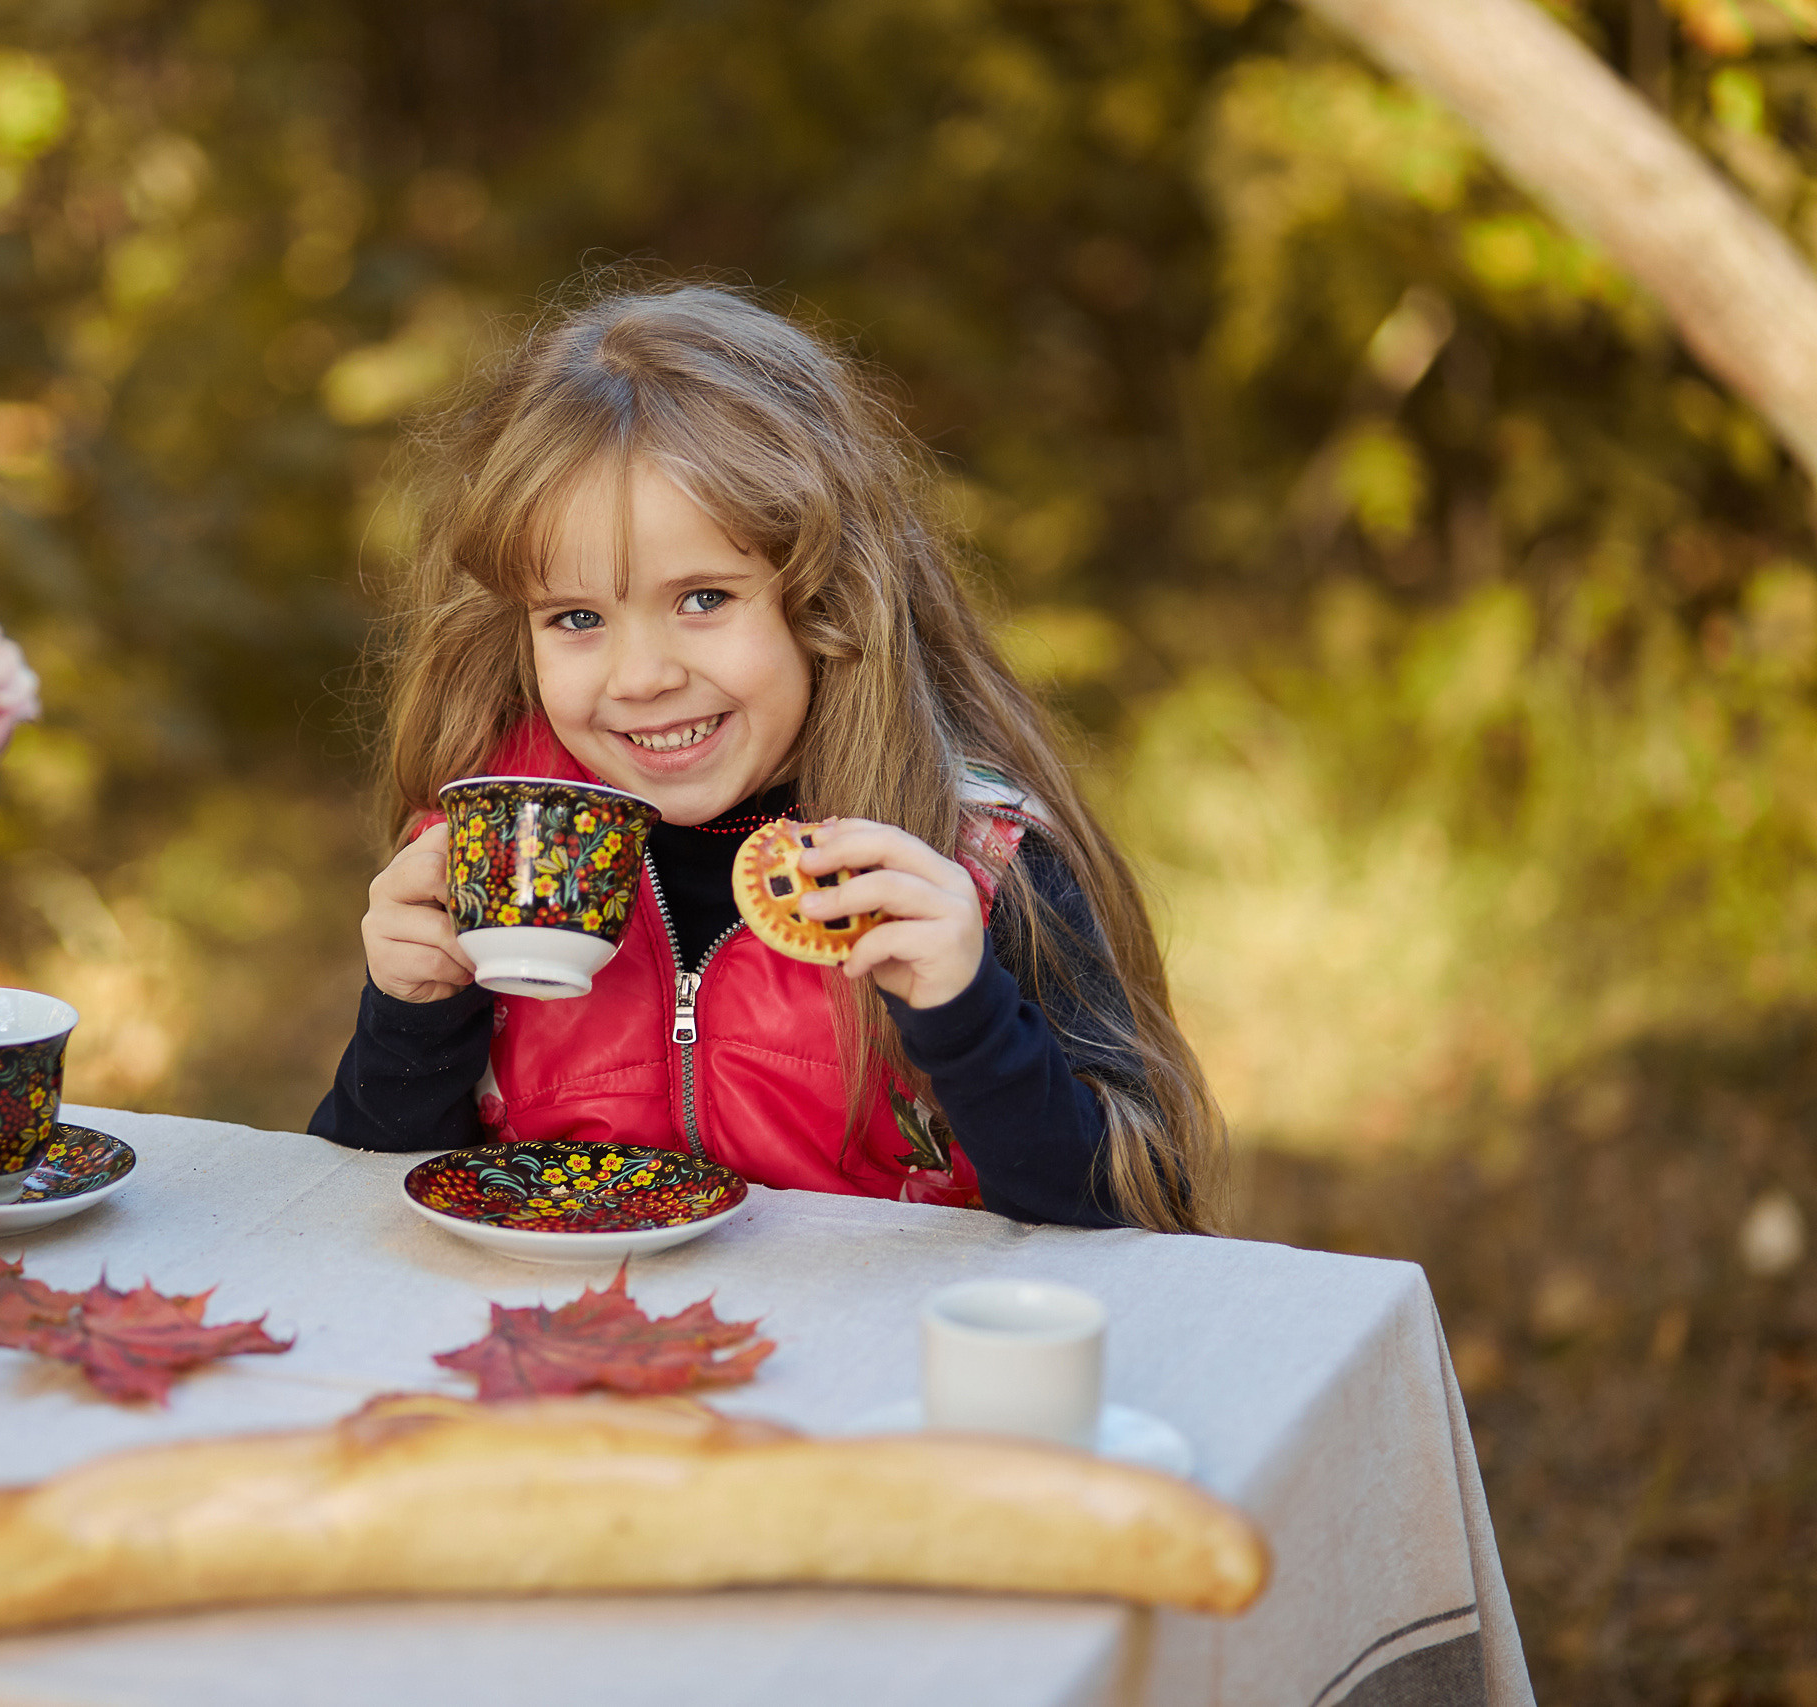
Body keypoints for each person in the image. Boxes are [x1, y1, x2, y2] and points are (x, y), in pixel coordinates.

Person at [309, 281, 1224, 1233]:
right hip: (568, 1359)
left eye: (703, 597)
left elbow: (1140, 1222)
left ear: (823, 597)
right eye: (577, 617)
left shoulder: (973, 862)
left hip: (875, 1366)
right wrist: (410, 1018)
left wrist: (970, 1016)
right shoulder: (496, 853)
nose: (643, 676)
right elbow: (351, 1223)